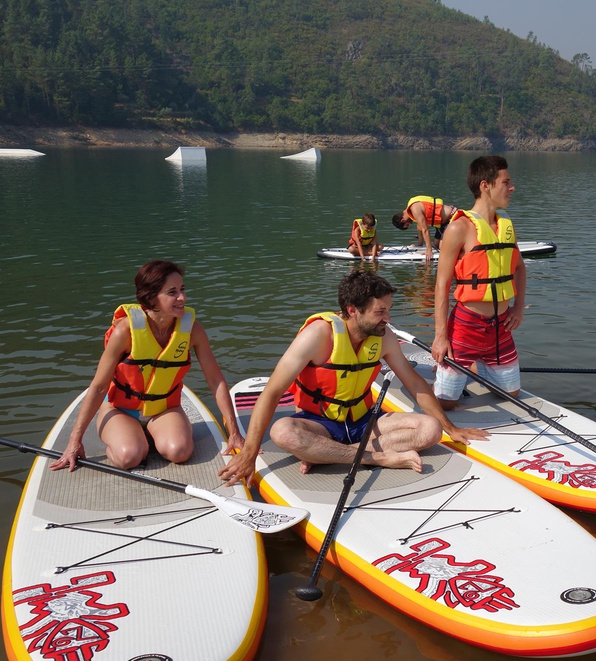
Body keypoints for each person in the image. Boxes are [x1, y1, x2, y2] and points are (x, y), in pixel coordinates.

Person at [217, 271, 487, 486]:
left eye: (388, 310)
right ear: (353, 309)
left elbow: (414, 383)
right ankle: (376, 458)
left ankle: (329, 455)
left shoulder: (383, 336)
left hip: (364, 421)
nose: (387, 319)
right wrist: (249, 454)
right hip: (320, 423)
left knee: (430, 429)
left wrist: (450, 428)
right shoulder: (317, 336)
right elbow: (272, 393)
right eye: (380, 312)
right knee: (283, 432)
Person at [52, 260, 244, 472]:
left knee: (180, 452)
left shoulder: (193, 330)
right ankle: (131, 440)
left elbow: (215, 381)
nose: (182, 298)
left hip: (164, 408)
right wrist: (74, 440)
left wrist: (234, 433)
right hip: (121, 410)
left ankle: (151, 437)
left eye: (182, 289)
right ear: (151, 297)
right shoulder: (125, 332)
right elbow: (98, 387)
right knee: (129, 457)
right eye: (172, 292)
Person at [432, 155, 525, 410]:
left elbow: (519, 268)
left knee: (511, 394)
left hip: (501, 326)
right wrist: (441, 336)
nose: (511, 187)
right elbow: (442, 285)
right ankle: (451, 365)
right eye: (506, 182)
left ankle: (474, 365)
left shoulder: (506, 225)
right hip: (466, 325)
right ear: (485, 185)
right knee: (446, 403)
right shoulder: (458, 228)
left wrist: (518, 308)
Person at [392, 196, 458, 263]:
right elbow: (419, 226)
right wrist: (420, 242)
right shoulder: (410, 211)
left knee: (442, 247)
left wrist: (429, 250)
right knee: (435, 245)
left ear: (403, 220)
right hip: (441, 225)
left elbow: (425, 230)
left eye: (407, 225)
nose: (410, 224)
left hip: (452, 217)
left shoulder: (414, 209)